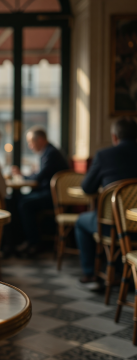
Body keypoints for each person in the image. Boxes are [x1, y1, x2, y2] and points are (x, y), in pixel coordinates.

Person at [75, 117, 137, 290]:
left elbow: (87, 188)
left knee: (81, 221)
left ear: (114, 137)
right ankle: (121, 271)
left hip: (112, 227)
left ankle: (90, 274)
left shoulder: (104, 155)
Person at [12, 127, 69, 256]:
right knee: (21, 199)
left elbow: (39, 177)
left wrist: (23, 176)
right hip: (50, 193)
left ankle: (34, 243)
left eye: (31, 142)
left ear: (41, 140)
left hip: (55, 196)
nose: (30, 146)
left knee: (24, 203)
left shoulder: (51, 153)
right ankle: (27, 241)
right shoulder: (48, 152)